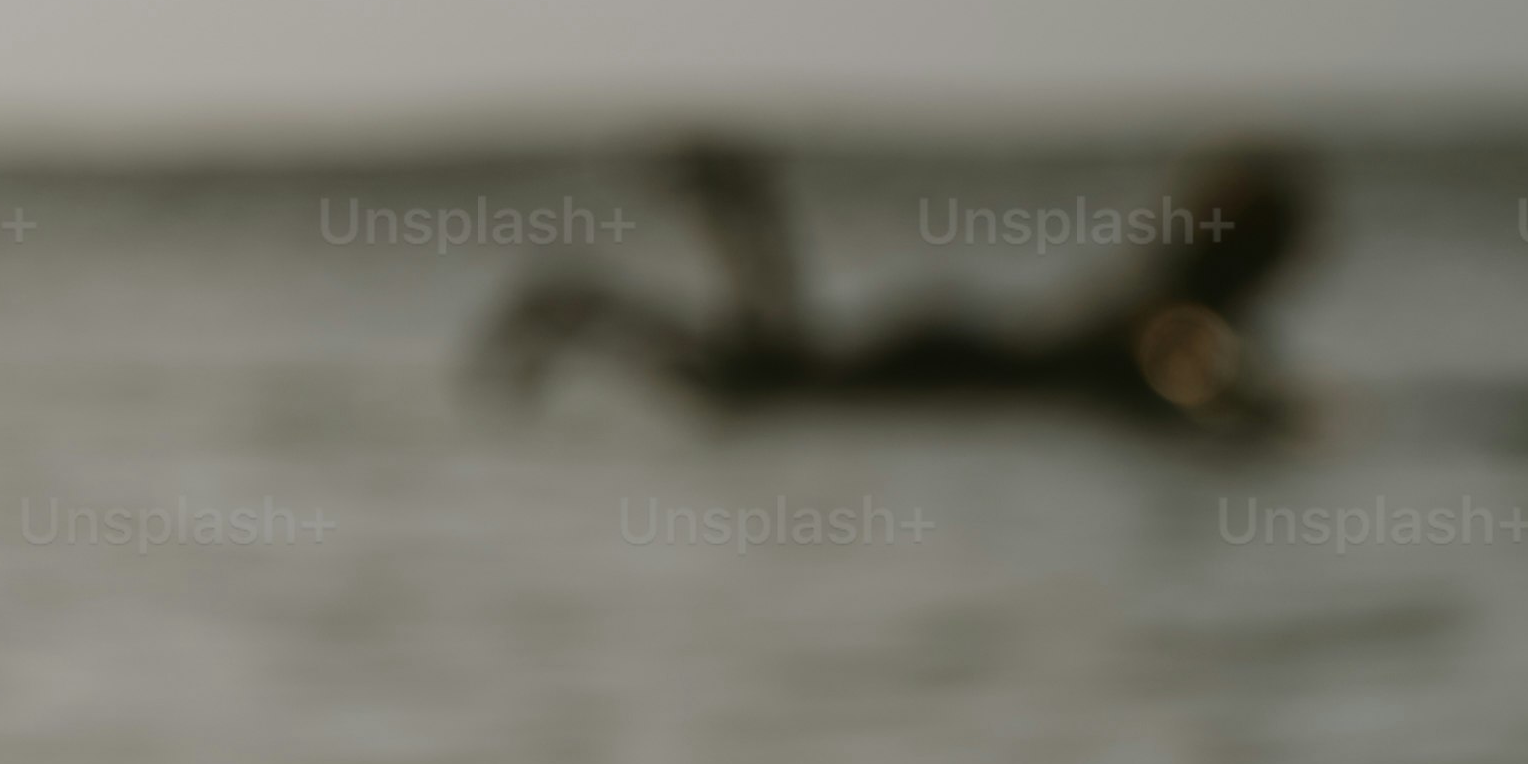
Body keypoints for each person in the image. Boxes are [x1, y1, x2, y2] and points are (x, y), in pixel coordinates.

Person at [481, 137, 1319, 432]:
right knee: (766, 386)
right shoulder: (1172, 322)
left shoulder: (1151, 303)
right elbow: (1193, 373)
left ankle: (719, 216)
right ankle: (731, 206)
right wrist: (1279, 420)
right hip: (953, 364)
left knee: (763, 377)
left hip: (957, 348)